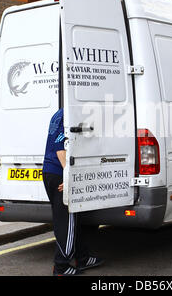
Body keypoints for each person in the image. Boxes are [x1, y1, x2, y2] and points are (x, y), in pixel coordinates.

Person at [42, 108, 103, 276]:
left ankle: (82, 257)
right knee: (66, 222)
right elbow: (59, 147)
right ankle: (61, 267)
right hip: (59, 173)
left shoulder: (58, 113)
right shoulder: (69, 113)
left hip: (50, 170)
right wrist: (67, 175)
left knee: (75, 218)